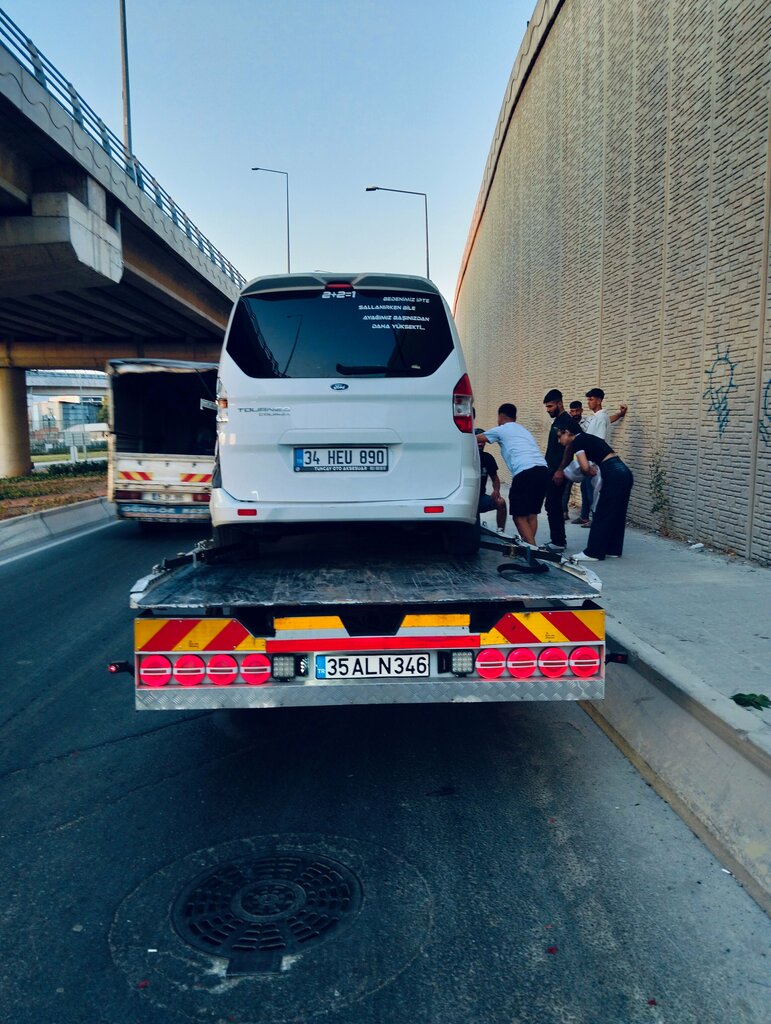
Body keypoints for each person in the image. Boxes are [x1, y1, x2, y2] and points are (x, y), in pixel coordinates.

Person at [556, 418, 633, 561]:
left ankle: (593, 553)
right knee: (617, 513)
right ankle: (613, 549)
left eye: (560, 436)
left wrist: (586, 471)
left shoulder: (578, 441)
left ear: (567, 432)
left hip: (612, 472)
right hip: (623, 471)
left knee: (602, 513)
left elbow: (585, 467)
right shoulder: (587, 438)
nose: (559, 441)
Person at [476, 403, 549, 546]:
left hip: (525, 472)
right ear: (515, 417)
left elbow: (475, 438)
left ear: (500, 417)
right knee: (531, 514)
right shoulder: (523, 430)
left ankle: (532, 551)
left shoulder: (502, 429)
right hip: (543, 470)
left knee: (518, 516)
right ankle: (530, 547)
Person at [575, 388, 628, 526]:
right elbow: (609, 419)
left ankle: (595, 519)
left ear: (599, 401)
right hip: (590, 459)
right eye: (588, 399)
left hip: (595, 461)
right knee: (585, 488)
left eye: (591, 399)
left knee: (593, 491)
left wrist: (592, 463)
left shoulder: (601, 418)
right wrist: (620, 414)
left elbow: (599, 441)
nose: (588, 402)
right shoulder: (597, 417)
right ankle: (584, 516)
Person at [542, 389, 575, 553]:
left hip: (558, 471)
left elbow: (570, 447)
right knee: (552, 504)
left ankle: (558, 542)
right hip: (552, 470)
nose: (548, 410)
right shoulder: (558, 421)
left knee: (553, 504)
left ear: (560, 403)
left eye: (550, 406)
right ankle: (558, 540)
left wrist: (560, 470)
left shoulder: (566, 421)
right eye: (547, 407)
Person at [475, 428, 507, 532]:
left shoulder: (488, 458)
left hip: (481, 498)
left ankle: (500, 531)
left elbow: (495, 478)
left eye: (482, 441)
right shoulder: (464, 457)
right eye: (478, 441)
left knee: (501, 503)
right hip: (466, 498)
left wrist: (496, 491)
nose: (480, 443)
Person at [563, 401, 588, 521]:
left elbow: (606, 419)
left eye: (577, 410)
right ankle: (564, 512)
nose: (575, 413)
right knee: (566, 487)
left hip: (584, 460)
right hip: (570, 460)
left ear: (581, 410)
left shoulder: (588, 422)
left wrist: (619, 415)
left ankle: (585, 515)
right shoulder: (567, 424)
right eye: (573, 411)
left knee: (586, 488)